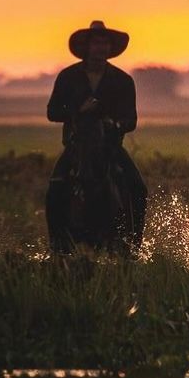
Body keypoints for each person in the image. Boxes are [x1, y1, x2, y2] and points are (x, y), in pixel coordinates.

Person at [45, 20, 147, 248]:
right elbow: (52, 112)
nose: (101, 48)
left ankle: (134, 245)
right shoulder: (68, 77)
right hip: (76, 146)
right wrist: (78, 111)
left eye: (105, 43)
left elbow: (131, 119)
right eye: (97, 43)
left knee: (139, 189)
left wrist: (115, 125)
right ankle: (57, 246)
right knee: (54, 191)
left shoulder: (122, 80)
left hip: (110, 148)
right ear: (87, 47)